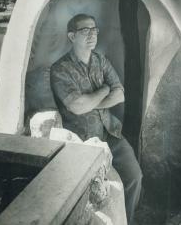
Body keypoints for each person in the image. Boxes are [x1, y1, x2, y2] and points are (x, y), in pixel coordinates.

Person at [50, 13, 142, 224]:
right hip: (82, 142)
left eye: (94, 30)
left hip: (110, 132)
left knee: (134, 177)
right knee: (91, 196)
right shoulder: (60, 69)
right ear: (72, 36)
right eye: (85, 30)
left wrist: (90, 102)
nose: (92, 35)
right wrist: (103, 91)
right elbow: (77, 106)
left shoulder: (101, 61)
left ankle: (126, 220)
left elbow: (120, 94)